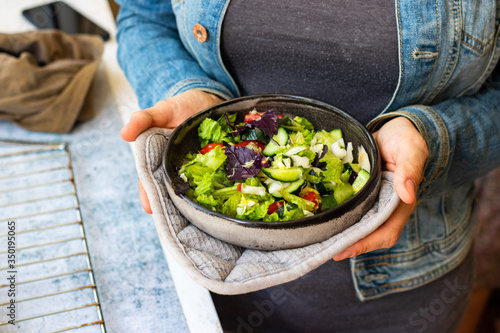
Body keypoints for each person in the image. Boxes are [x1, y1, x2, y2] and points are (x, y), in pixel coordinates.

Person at [116, 0, 500, 332]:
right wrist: (184, 90)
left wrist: (431, 138)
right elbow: (145, 17)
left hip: (402, 295)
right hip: (211, 278)